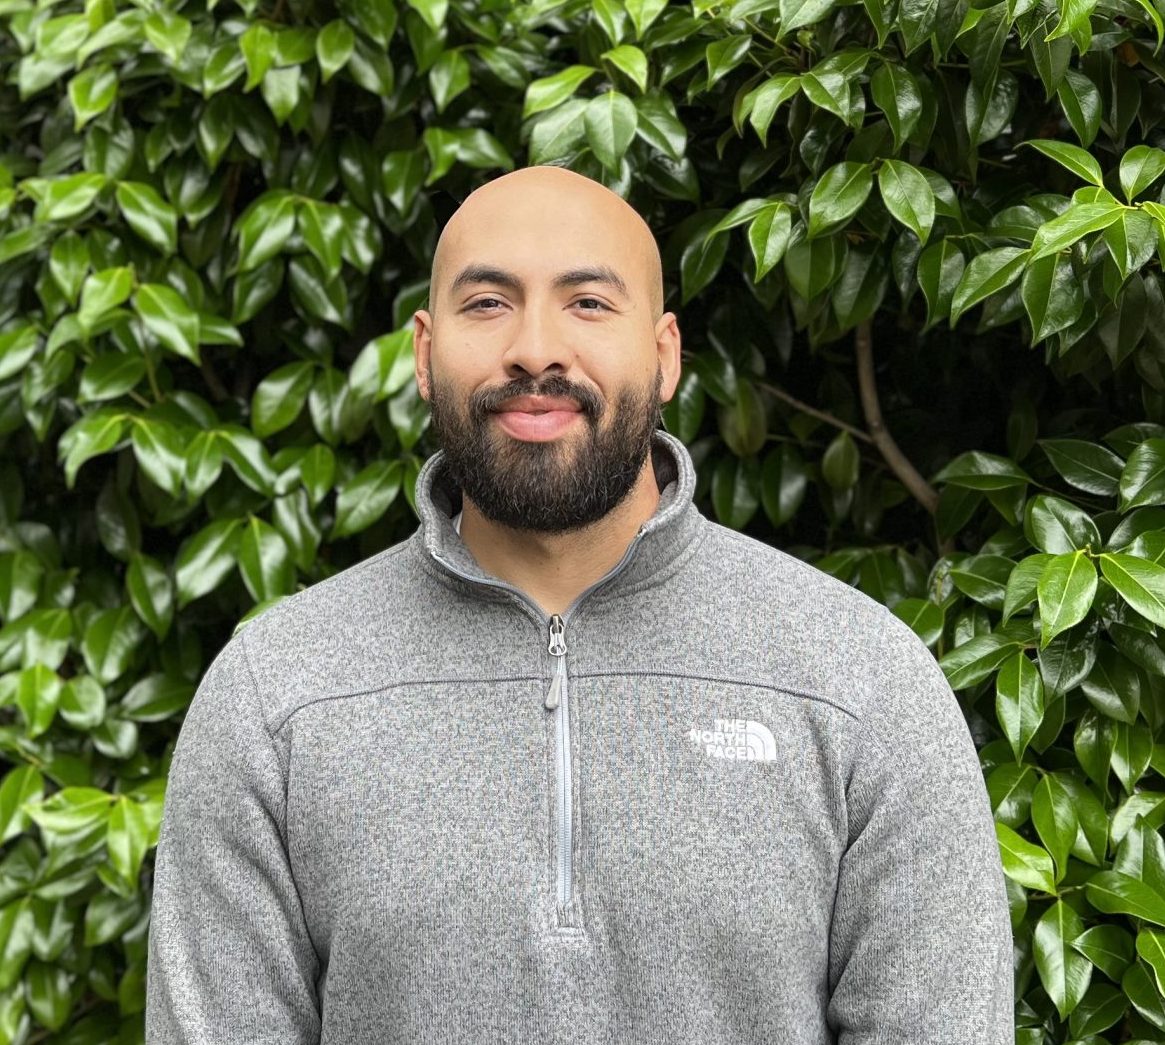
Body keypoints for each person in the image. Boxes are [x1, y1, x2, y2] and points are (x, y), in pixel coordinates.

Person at [145, 164, 1013, 1043]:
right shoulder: (275, 696)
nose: (534, 349)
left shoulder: (861, 682)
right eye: (488, 303)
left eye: (588, 303)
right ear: (424, 352)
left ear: (664, 355)